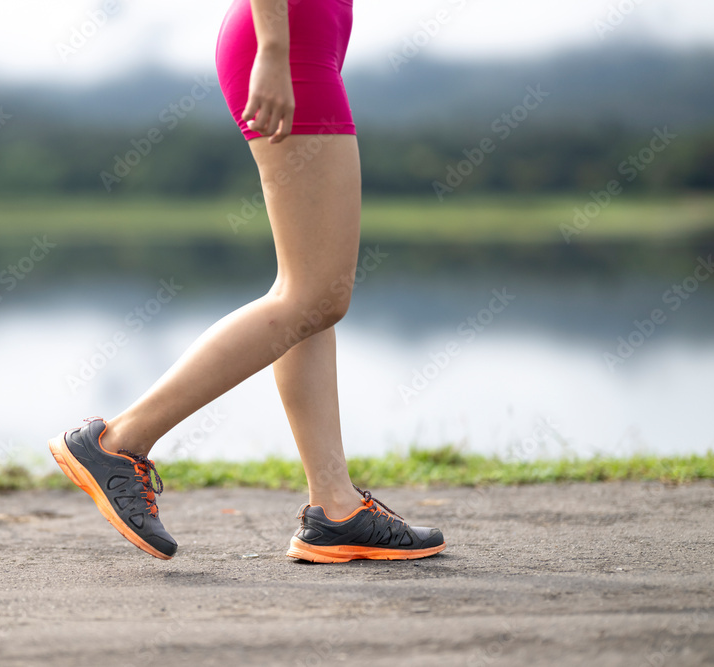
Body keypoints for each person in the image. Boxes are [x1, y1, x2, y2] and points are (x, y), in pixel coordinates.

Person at [49, 0, 446, 563]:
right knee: (313, 295)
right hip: (289, 41)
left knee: (311, 299)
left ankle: (336, 510)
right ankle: (118, 442)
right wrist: (276, 50)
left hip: (304, 42)